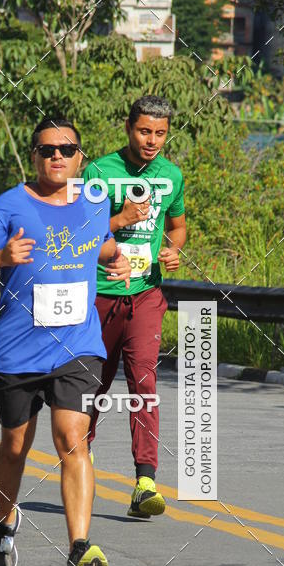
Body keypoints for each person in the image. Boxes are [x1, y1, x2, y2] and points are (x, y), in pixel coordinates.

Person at [0, 116, 131, 566]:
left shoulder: (95, 202)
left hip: (77, 345)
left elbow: (100, 243)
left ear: (80, 158)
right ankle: (6, 519)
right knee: (15, 446)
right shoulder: (9, 205)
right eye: (47, 149)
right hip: (16, 350)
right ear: (34, 157)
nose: (57, 156)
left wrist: (118, 258)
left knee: (72, 435)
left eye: (67, 149)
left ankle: (79, 549)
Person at [83, 95, 186, 518]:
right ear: (129, 128)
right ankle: (79, 463)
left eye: (160, 133)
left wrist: (173, 251)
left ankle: (145, 481)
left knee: (143, 383)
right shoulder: (99, 171)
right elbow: (77, 231)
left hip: (145, 294)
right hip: (99, 295)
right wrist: (121, 220)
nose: (152, 141)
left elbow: (177, 227)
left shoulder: (172, 175)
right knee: (92, 387)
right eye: (145, 131)